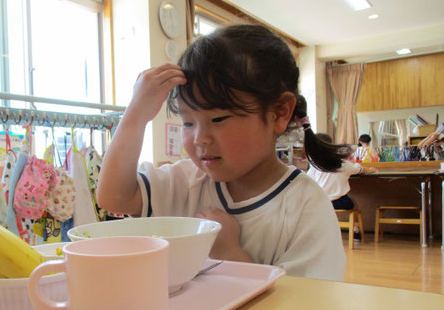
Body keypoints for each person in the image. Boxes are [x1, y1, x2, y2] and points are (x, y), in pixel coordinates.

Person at [96, 24, 351, 281]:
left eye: (218, 119)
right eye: (187, 122)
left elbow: (305, 308)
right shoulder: (186, 180)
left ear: (279, 113)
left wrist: (229, 253)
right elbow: (113, 197)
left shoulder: (305, 206)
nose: (199, 138)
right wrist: (136, 114)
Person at [307, 134, 377, 240]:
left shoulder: (314, 164)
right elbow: (359, 169)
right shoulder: (342, 163)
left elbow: (309, 180)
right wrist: (372, 170)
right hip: (340, 202)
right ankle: (355, 230)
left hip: (321, 202)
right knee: (354, 205)